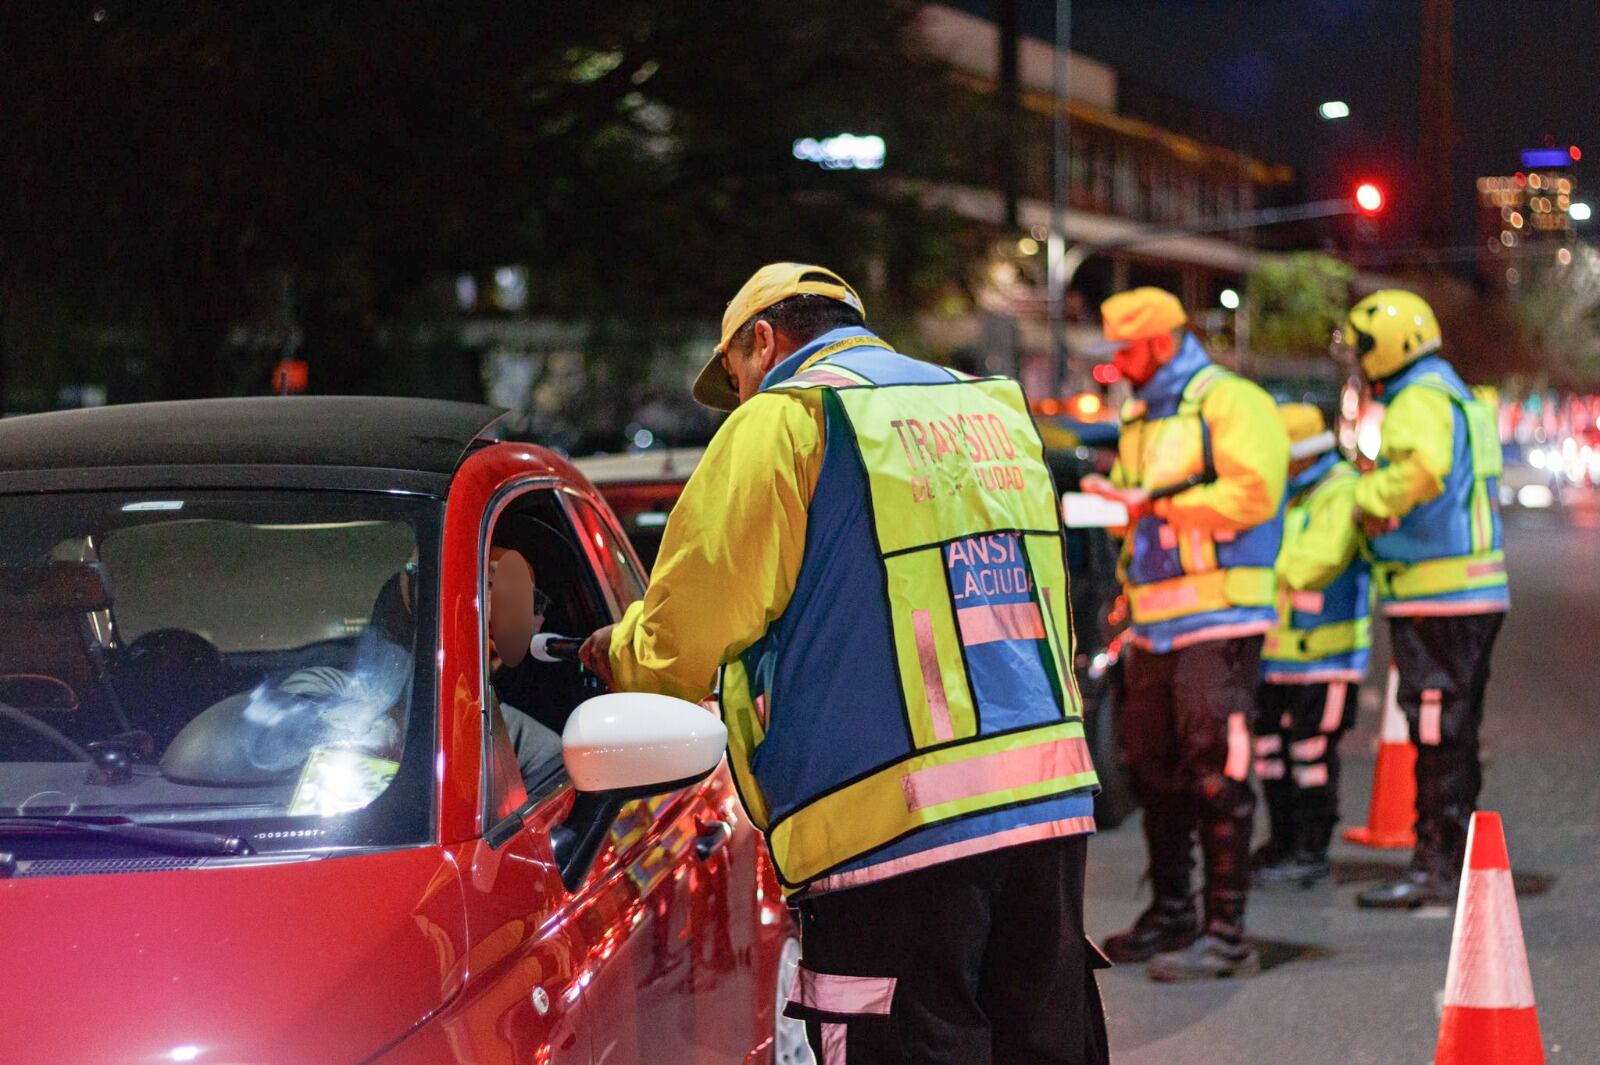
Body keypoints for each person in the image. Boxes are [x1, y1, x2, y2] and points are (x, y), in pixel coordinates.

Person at [581, 263, 1107, 1065]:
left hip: (891, 827)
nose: (743, 396)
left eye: (736, 377)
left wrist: (619, 654)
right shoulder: (985, 409)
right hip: (1046, 807)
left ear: (762, 341)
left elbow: (690, 628)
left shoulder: (786, 418)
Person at [1080, 287, 1288, 981]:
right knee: (1150, 767)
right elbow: (1142, 507)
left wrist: (1154, 505)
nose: (1117, 363)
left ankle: (1226, 934)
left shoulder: (1229, 401)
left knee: (1215, 773)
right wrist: (1118, 504)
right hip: (1156, 622)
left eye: (1126, 350)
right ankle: (1173, 914)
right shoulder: (1142, 409)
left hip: (1222, 617)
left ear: (1162, 342)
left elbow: (1255, 492)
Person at [1339, 290, 1509, 909]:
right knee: (1452, 732)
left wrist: (1364, 498)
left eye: (1363, 347)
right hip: (1467, 595)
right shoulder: (1455, 394)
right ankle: (1450, 860)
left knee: (1437, 734)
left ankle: (1437, 866)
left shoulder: (1418, 399)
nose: (1359, 358)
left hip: (1439, 597)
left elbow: (1421, 471)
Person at [1251, 403, 1372, 887]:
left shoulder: (1341, 490)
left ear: (1302, 455)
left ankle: (1311, 850)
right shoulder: (1285, 492)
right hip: (1273, 656)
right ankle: (1282, 843)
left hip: (1326, 657)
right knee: (1271, 755)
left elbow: (1314, 563)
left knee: (1311, 755)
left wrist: (1253, 563)